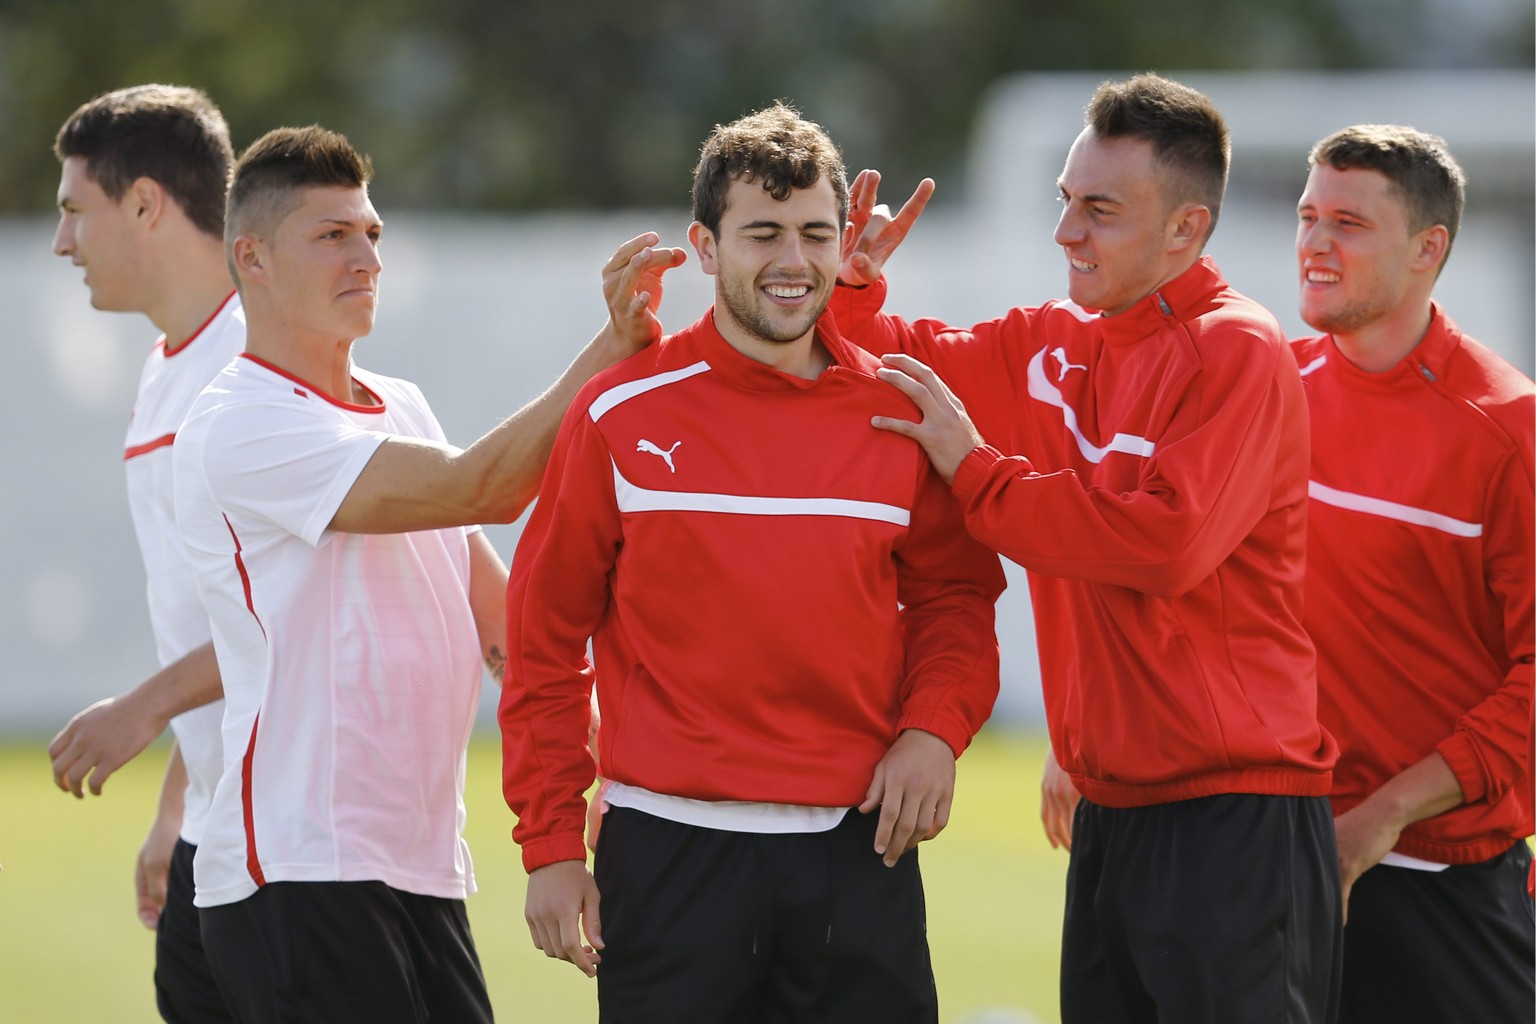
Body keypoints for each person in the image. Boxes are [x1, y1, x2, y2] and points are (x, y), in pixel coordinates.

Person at [831, 73, 1341, 1022]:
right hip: (1110, 816)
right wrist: (852, 290)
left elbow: (1166, 545)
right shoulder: (1055, 343)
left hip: (1236, 820)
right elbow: (885, 369)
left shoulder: (1239, 348)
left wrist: (977, 473)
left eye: (1099, 210)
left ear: (1187, 230)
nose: (1067, 231)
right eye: (1067, 202)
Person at [500, 102, 1005, 1022]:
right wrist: (550, 845)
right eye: (762, 232)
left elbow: (957, 598)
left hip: (861, 856)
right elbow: (544, 638)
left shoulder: (898, 411)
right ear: (705, 244)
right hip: (668, 856)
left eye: (816, 234)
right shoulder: (619, 413)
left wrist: (932, 731)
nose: (793, 261)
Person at [171, 124, 680, 1023]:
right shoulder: (240, 423)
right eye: (332, 235)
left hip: (418, 865)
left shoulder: (397, 402)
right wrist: (607, 353)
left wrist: (605, 779)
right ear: (250, 257)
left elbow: (501, 626)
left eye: (371, 234)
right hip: (301, 870)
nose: (365, 255)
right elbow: (480, 487)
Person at [1290, 124, 1533, 1023]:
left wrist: (1384, 815)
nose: (1314, 242)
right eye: (1308, 215)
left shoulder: (1507, 430)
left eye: (1348, 222)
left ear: (1429, 248)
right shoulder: (1271, 389)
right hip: (1279, 853)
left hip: (1444, 884)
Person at [46, 83, 242, 1024]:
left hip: (300, 854)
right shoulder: (172, 364)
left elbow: (291, 609)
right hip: (217, 831)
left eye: (73, 210)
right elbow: (222, 614)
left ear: (144, 204)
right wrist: (179, 808)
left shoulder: (264, 362)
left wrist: (141, 708)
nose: (61, 242)